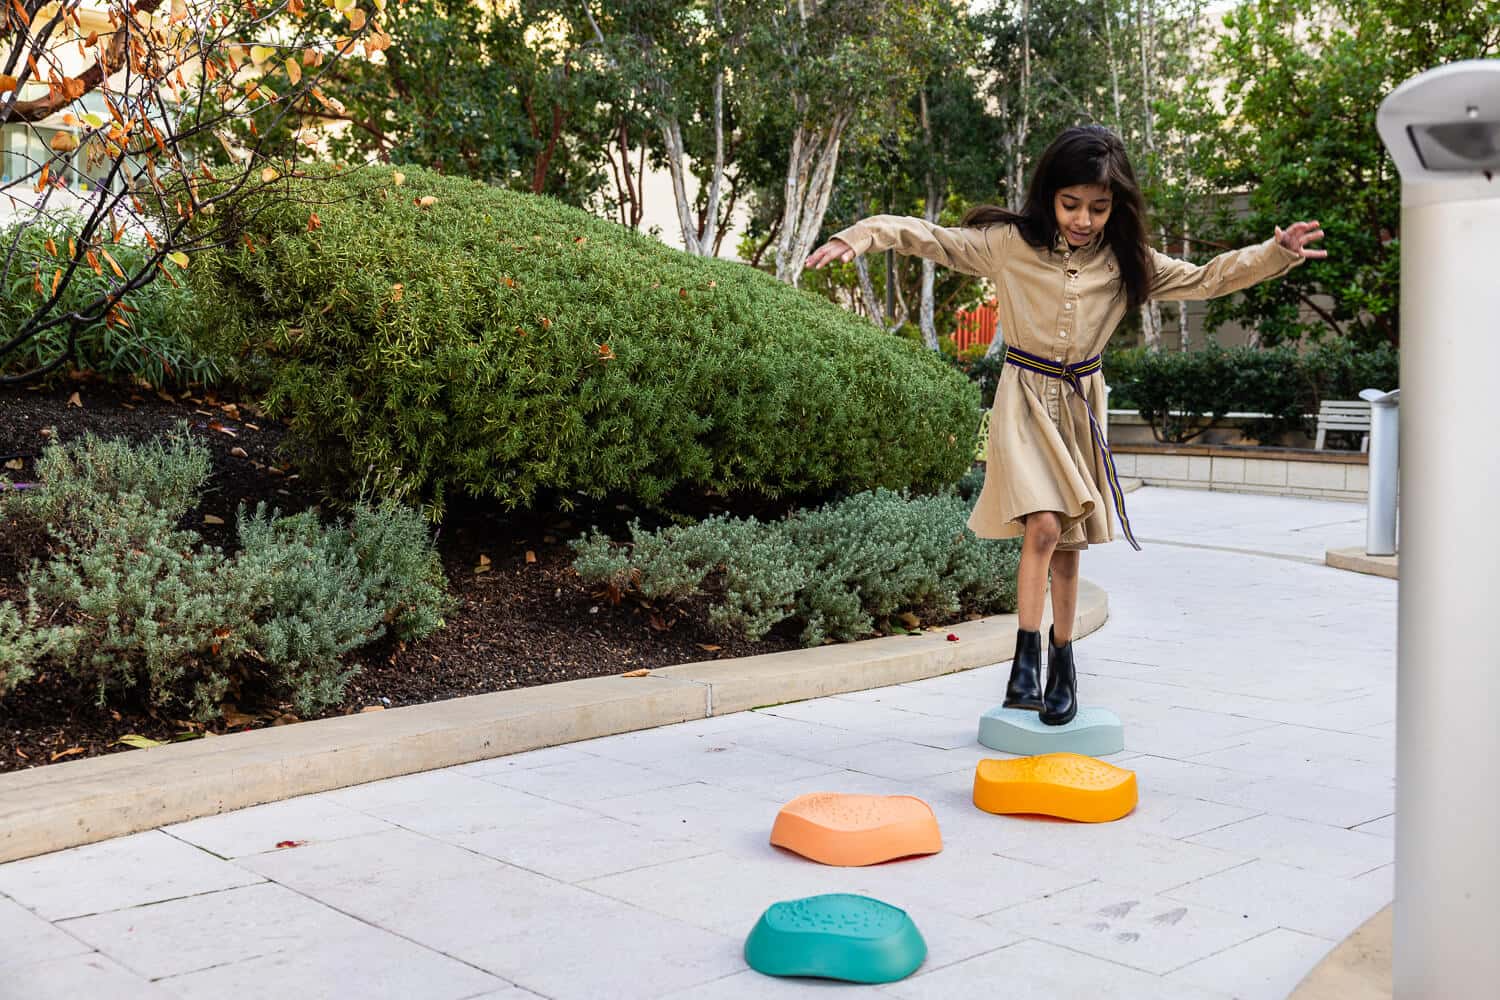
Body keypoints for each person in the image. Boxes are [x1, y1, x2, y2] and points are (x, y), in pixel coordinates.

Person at [805, 125, 1326, 726]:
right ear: (1049, 195)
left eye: (1098, 208)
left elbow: (1208, 278)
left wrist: (1275, 252)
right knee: (1045, 525)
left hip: (1080, 406)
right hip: (1024, 399)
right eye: (1071, 204)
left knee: (1068, 545)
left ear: (1115, 206)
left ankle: (1062, 660)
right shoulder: (1008, 244)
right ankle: (1025, 657)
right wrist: (860, 235)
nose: (1083, 219)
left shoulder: (1127, 262)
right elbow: (932, 238)